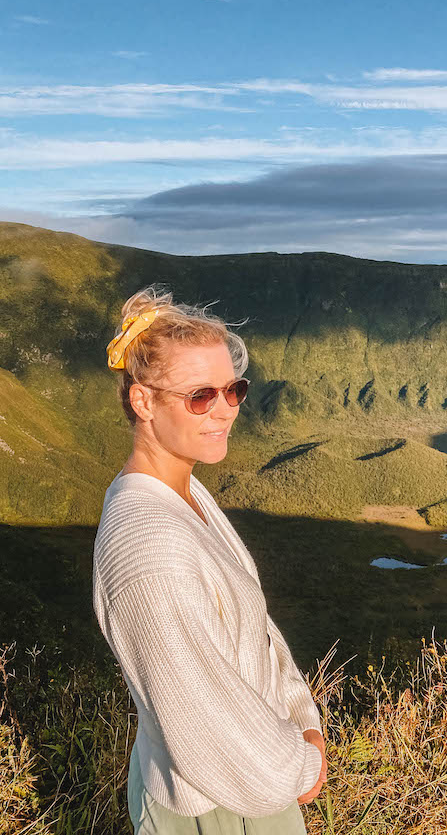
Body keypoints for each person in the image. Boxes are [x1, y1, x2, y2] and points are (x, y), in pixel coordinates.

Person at [92, 284, 327, 834]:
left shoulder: (185, 493)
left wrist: (301, 717)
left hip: (246, 776)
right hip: (214, 804)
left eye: (234, 390)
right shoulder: (150, 548)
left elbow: (254, 629)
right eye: (200, 395)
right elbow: (200, 710)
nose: (224, 410)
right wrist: (300, 767)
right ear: (142, 400)